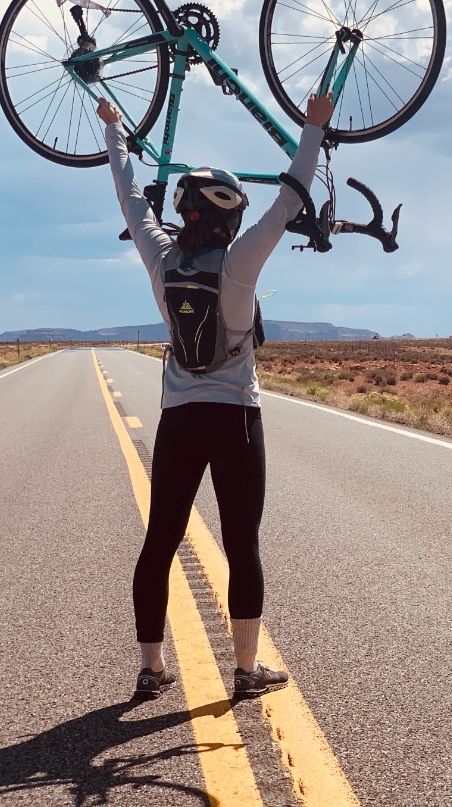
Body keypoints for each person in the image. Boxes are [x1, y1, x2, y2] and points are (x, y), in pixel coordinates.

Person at [97, 92, 333, 699]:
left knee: (161, 541)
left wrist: (117, 132)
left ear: (186, 214)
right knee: (241, 543)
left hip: (178, 418)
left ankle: (152, 668)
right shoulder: (239, 265)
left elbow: (127, 195)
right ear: (227, 221)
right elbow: (290, 198)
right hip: (235, 420)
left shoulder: (161, 259)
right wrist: (312, 128)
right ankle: (247, 671)